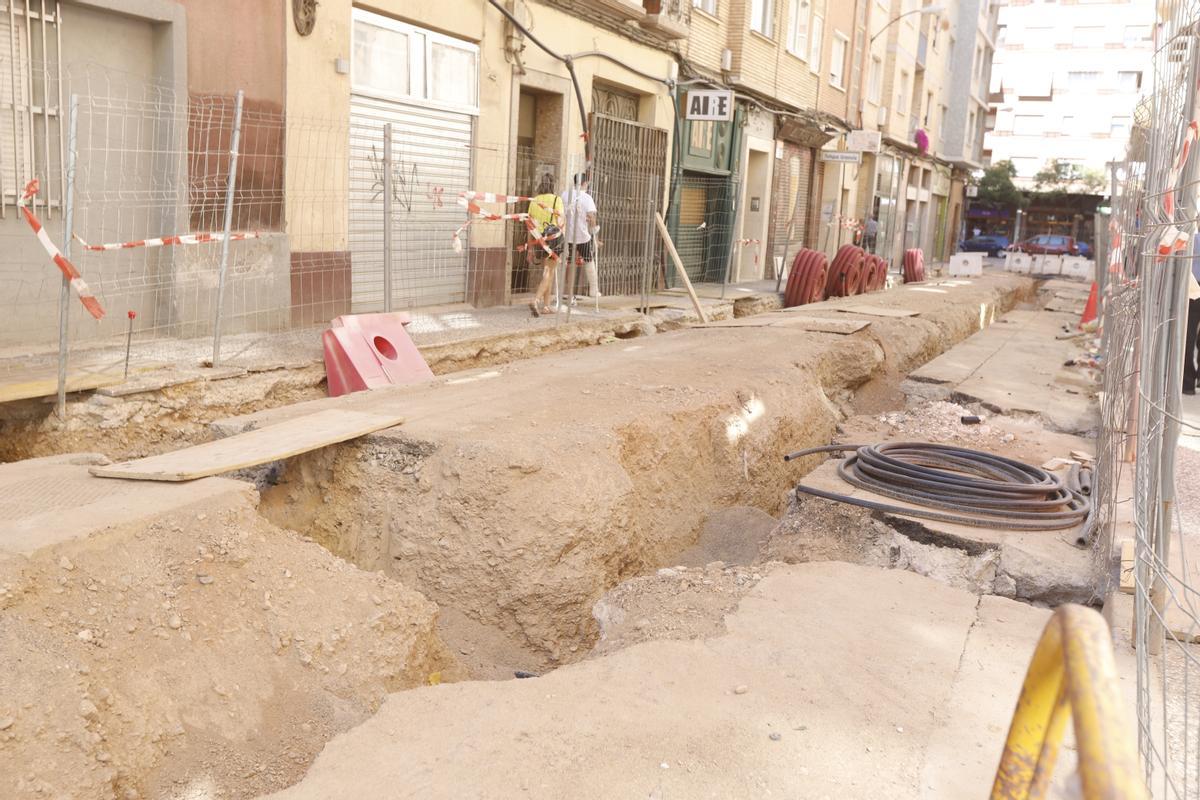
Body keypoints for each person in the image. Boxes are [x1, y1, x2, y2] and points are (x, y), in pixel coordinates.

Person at [527, 175, 563, 316]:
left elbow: (529, 225)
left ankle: (546, 306)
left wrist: (530, 247)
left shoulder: (534, 201)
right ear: (553, 184)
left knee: (548, 272)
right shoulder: (556, 200)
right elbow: (560, 220)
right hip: (554, 239)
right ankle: (535, 300)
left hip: (539, 239)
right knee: (549, 272)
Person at [561, 172, 600, 302]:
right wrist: (595, 233)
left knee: (569, 264)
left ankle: (569, 292)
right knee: (589, 261)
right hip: (583, 236)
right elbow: (591, 217)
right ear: (585, 183)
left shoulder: (565, 195)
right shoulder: (587, 198)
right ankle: (593, 290)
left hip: (568, 236)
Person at [1184, 238, 1200, 394]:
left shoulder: (1192, 238)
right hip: (1193, 287)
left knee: (1188, 336)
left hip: (1193, 288)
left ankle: (1188, 383)